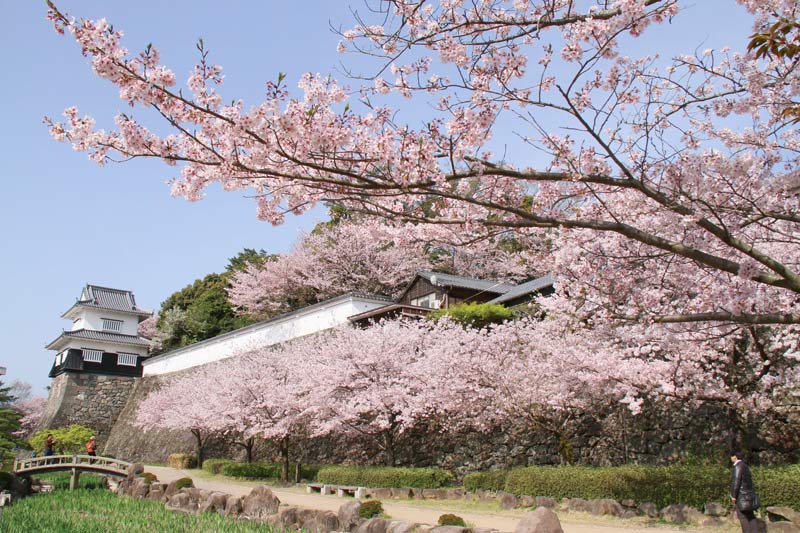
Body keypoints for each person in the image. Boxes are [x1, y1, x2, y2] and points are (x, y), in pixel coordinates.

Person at [730, 450, 760, 533]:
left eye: (731, 456)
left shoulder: (738, 466)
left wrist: (733, 496)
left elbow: (736, 481)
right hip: (749, 495)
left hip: (741, 496)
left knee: (742, 517)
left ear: (734, 457)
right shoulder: (746, 466)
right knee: (750, 516)